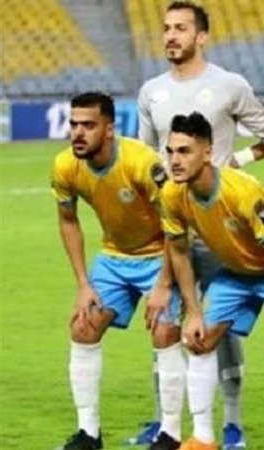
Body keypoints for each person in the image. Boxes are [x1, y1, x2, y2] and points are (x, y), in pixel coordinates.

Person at [136, 3, 264, 447]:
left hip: (222, 229)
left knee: (221, 322)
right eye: (166, 28)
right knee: (167, 320)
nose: (171, 35)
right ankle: (165, 422)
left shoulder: (229, 85)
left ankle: (232, 422)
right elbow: (147, 158)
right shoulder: (151, 92)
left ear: (201, 36)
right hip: (174, 224)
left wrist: (235, 161)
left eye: (181, 28)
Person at [160, 112, 264, 450]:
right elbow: (179, 253)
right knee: (199, 339)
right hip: (235, 274)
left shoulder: (243, 192)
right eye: (171, 151)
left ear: (207, 152)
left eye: (184, 151)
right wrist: (193, 312)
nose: (175, 160)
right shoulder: (172, 194)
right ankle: (203, 438)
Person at [53, 92, 182, 450]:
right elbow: (68, 221)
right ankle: (89, 434)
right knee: (83, 327)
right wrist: (83, 283)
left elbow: (176, 223)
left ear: (109, 129)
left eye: (88, 125)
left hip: (161, 253)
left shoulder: (142, 163)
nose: (78, 133)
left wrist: (164, 283)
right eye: (74, 124)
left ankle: (171, 434)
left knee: (165, 331)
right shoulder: (65, 166)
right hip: (114, 256)